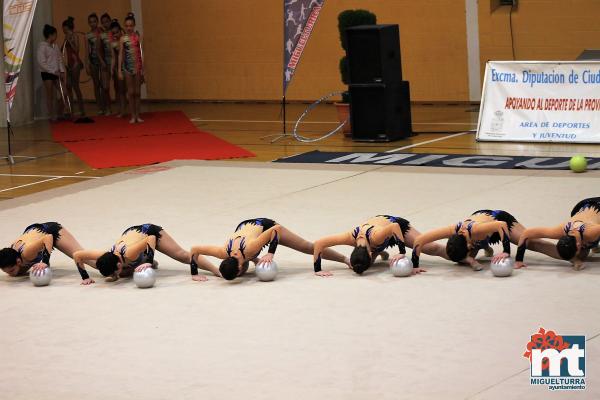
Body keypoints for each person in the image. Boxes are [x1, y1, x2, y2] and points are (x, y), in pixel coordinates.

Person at [190, 218, 349, 281]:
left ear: (239, 267)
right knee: (251, 258)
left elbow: (277, 229)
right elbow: (194, 249)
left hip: (265, 226)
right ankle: (253, 258)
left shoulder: (251, 247)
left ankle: (345, 260)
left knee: (307, 247)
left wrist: (270, 252)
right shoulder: (222, 253)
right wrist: (194, 274)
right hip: (245, 230)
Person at [411, 209, 560, 270]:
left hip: (498, 219)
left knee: (530, 243)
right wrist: (415, 265)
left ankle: (570, 255)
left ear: (469, 246)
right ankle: (482, 249)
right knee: (455, 257)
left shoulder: (476, 230)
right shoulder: (451, 230)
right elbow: (420, 240)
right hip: (479, 232)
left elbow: (501, 225)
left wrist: (506, 252)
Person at [313, 215, 445, 276]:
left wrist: (402, 252)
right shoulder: (349, 237)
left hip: (395, 227)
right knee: (365, 265)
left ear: (370, 254)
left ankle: (464, 256)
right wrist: (317, 270)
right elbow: (319, 243)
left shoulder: (376, 236)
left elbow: (394, 227)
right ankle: (381, 251)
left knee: (430, 248)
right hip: (380, 239)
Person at [72, 224, 203, 282]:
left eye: (114, 273)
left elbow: (150, 238)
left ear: (117, 265)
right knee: (117, 273)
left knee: (183, 256)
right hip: (133, 241)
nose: (114, 277)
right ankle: (142, 259)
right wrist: (85, 277)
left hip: (148, 232)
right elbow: (77, 255)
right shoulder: (103, 256)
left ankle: (217, 271)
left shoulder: (129, 253)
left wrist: (149, 263)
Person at [516, 197, 600, 270]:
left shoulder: (591, 232)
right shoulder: (559, 231)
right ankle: (594, 246)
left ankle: (595, 245)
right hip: (583, 208)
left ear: (578, 245)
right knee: (582, 255)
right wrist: (519, 259)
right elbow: (526, 233)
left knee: (590, 242)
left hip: (597, 206)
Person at [0, 222, 94, 284]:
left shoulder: (27, 253)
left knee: (87, 259)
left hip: (51, 231)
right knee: (18, 273)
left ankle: (108, 260)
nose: (9, 274)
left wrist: (45, 261)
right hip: (36, 236)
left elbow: (48, 237)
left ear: (18, 261)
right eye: (6, 271)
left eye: (11, 270)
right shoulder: (10, 257)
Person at [118, 12, 144, 123]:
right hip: (127, 67)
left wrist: (143, 69)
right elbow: (121, 54)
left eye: (130, 25)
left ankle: (138, 115)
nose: (128, 28)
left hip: (137, 66)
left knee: (137, 92)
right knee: (131, 92)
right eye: (127, 25)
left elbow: (142, 53)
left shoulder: (138, 37)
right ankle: (132, 115)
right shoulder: (122, 39)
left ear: (134, 25)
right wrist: (119, 70)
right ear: (124, 26)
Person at [37, 24, 66, 121]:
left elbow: (59, 59)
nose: (56, 36)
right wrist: (53, 71)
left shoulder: (55, 46)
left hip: (56, 72)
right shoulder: (42, 47)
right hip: (47, 73)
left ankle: (59, 113)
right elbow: (42, 63)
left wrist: (62, 71)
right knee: (50, 95)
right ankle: (51, 115)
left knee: (64, 93)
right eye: (55, 34)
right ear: (50, 35)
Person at [61, 17, 85, 116]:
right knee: (69, 86)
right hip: (68, 64)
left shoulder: (75, 36)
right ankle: (71, 109)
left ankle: (82, 109)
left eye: (63, 27)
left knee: (75, 86)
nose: (62, 29)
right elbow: (62, 49)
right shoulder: (66, 36)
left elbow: (77, 49)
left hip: (75, 63)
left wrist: (69, 41)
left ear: (67, 27)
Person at [85, 12, 106, 114]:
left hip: (102, 60)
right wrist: (87, 64)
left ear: (97, 22)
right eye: (90, 22)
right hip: (93, 61)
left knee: (103, 84)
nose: (93, 23)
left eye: (94, 21)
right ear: (89, 23)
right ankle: (99, 107)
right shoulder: (87, 35)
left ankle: (105, 105)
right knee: (96, 84)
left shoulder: (102, 32)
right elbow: (87, 50)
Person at [109, 19, 127, 117]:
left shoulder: (125, 40)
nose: (115, 34)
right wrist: (112, 69)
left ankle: (124, 110)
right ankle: (119, 109)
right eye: (113, 33)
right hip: (117, 67)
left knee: (123, 91)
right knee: (118, 90)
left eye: (117, 32)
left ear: (121, 30)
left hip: (126, 67)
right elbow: (113, 57)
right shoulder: (113, 43)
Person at [99, 13, 113, 115]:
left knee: (118, 86)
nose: (105, 24)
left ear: (110, 21)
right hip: (105, 63)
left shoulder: (116, 32)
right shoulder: (101, 35)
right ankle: (108, 108)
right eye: (103, 23)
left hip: (115, 62)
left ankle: (121, 108)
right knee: (105, 87)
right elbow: (98, 50)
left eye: (107, 22)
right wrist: (102, 61)